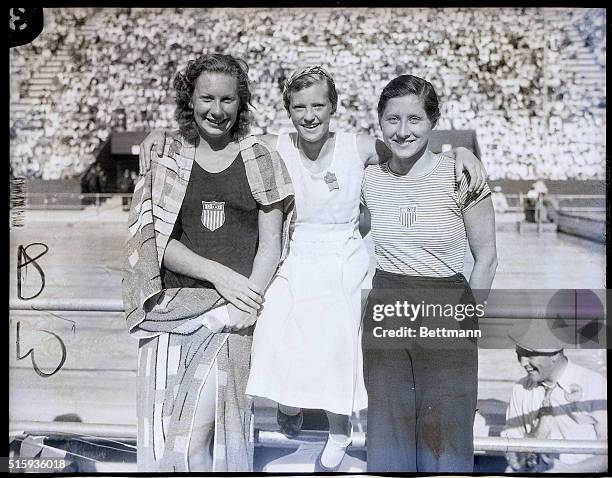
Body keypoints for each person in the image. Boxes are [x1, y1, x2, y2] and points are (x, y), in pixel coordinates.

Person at [140, 65, 488, 472]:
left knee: (340, 327)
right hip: (295, 249)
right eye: (300, 107)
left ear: (333, 107)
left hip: (343, 251)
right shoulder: (272, 146)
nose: (310, 116)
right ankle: (289, 403)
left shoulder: (357, 147)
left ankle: (340, 426)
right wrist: (163, 134)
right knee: (271, 320)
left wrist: (460, 152)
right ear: (288, 110)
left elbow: (409, 144)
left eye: (318, 106)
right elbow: (219, 135)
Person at [122, 53, 294, 472]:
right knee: (163, 439)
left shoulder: (260, 158)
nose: (217, 111)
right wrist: (220, 276)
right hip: (169, 313)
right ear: (189, 100)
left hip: (230, 319)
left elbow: (272, 246)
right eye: (207, 99)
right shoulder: (167, 157)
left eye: (228, 100)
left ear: (243, 103)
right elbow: (156, 240)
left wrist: (245, 300)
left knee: (195, 440)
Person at [360, 74, 498, 472]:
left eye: (415, 119)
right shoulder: (369, 177)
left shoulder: (460, 174)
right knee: (388, 429)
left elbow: (486, 256)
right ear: (380, 122)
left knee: (446, 433)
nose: (402, 131)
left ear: (433, 121)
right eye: (392, 119)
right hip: (387, 304)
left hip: (447, 305)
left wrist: (468, 320)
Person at [502, 319, 607, 473]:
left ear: (554, 355)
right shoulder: (520, 389)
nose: (522, 362)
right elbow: (512, 444)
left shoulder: (594, 385)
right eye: (519, 354)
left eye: (529, 355)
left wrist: (569, 471)